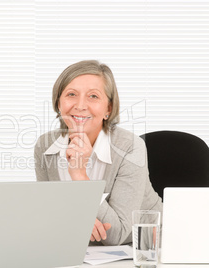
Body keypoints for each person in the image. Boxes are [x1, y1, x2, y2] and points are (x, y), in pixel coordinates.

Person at [34, 60, 162, 245]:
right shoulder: (45, 146)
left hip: (142, 250)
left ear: (108, 109)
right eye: (71, 94)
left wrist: (79, 175)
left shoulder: (131, 147)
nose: (80, 105)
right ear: (58, 103)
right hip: (81, 251)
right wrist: (76, 222)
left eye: (93, 96)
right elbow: (49, 215)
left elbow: (116, 235)